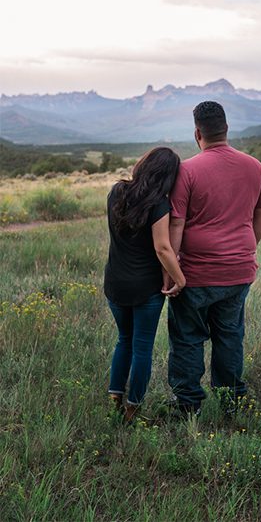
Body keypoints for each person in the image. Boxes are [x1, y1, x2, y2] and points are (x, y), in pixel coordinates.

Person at [166, 101, 261, 417]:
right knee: (229, 336)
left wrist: (172, 269)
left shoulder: (186, 170)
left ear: (198, 133)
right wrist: (246, 248)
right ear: (226, 129)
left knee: (187, 339)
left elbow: (176, 224)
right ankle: (231, 401)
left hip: (195, 273)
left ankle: (188, 405)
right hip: (238, 271)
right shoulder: (254, 166)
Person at [104, 147, 189, 423]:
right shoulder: (159, 204)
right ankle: (133, 409)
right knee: (142, 348)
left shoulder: (117, 192)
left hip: (115, 284)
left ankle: (114, 399)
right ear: (168, 177)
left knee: (123, 341)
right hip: (145, 289)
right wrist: (180, 279)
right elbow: (163, 248)